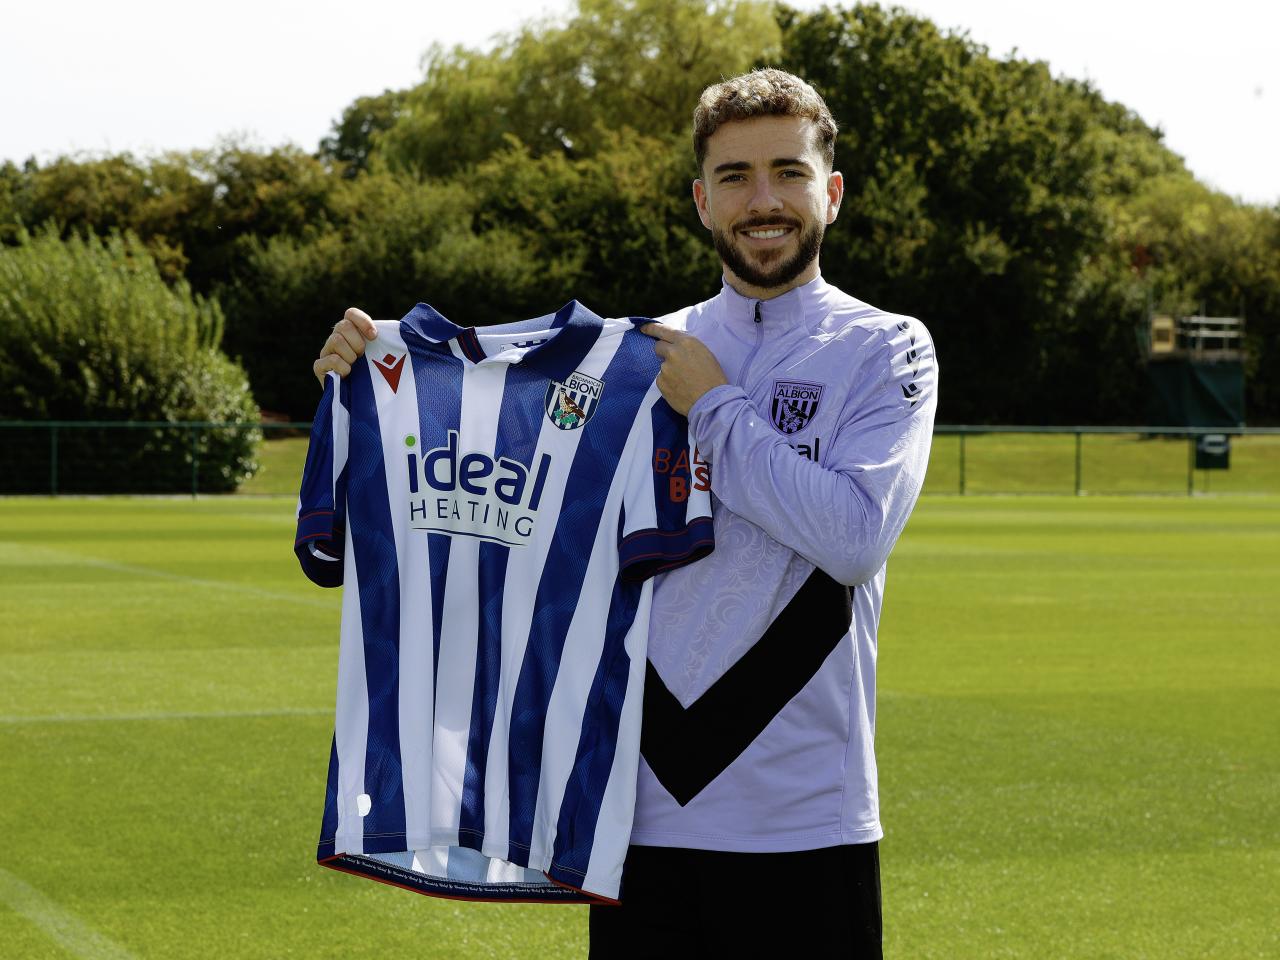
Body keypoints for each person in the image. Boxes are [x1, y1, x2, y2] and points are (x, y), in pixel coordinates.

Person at [314, 68, 936, 958]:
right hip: (635, 825)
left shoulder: (888, 346)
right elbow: (496, 472)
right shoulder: (636, 354)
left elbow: (853, 539)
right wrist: (377, 378)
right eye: (734, 177)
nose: (764, 200)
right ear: (700, 201)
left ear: (830, 193)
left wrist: (716, 409)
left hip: (806, 823)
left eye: (788, 173)